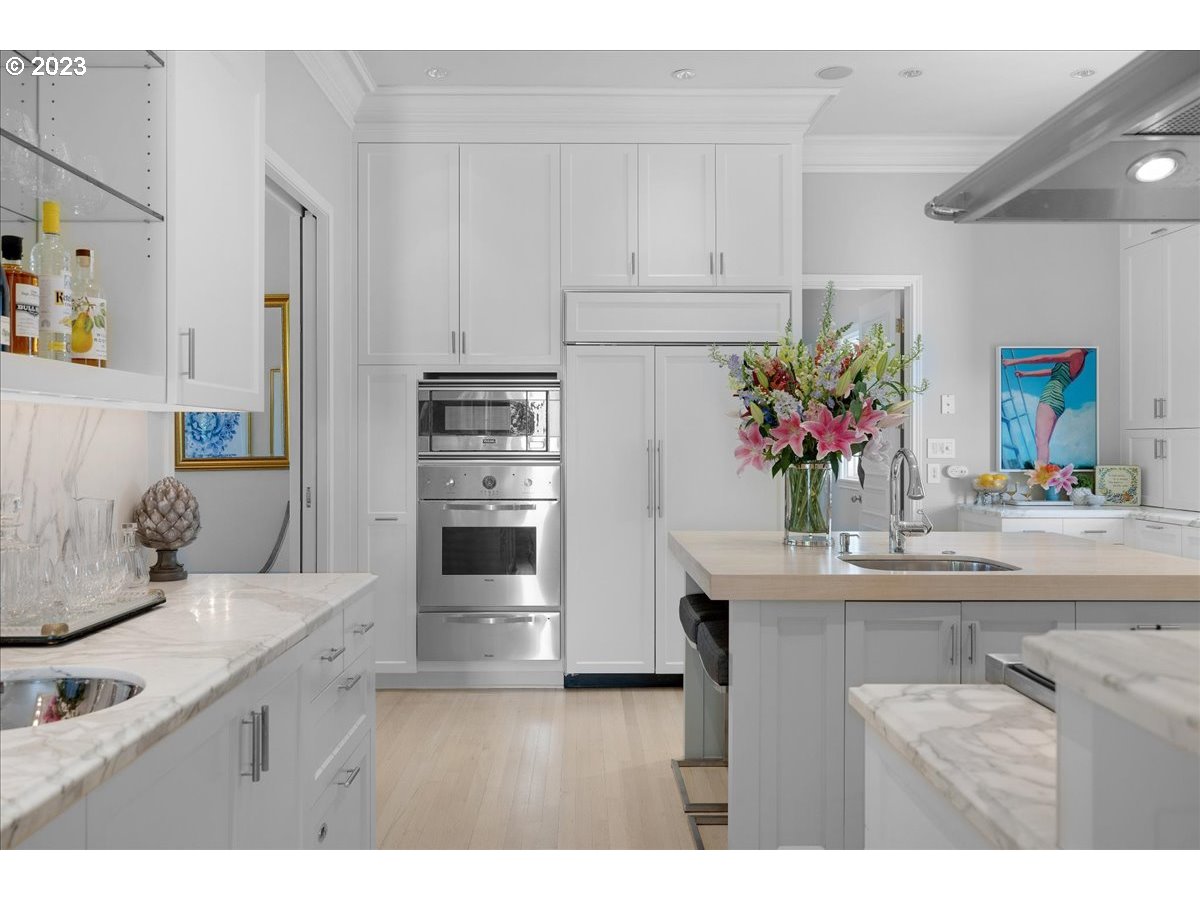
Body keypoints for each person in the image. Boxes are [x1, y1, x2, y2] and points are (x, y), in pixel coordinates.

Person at [1002, 348, 1091, 465]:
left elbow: (1045, 358)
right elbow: (1052, 372)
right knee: (1043, 443)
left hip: (1050, 396)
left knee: (1041, 442)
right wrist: (1025, 374)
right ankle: (1043, 473)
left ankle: (1041, 475)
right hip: (1057, 400)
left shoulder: (1077, 353)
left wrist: (1013, 361)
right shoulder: (1081, 360)